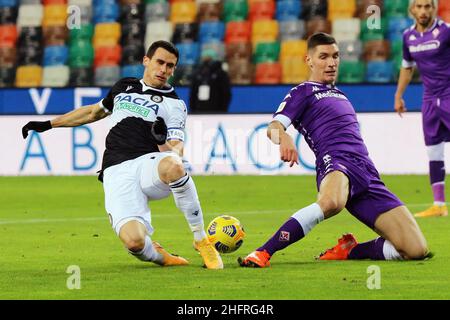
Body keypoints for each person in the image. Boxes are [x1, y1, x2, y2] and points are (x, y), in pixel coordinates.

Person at [21, 40, 223, 269]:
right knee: (135, 242)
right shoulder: (123, 86)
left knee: (175, 166)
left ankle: (200, 239)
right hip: (116, 169)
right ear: (146, 61)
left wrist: (161, 141)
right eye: (160, 62)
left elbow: (177, 150)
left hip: (149, 164)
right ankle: (161, 256)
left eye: (170, 66)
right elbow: (92, 112)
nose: (164, 70)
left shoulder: (175, 104)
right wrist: (49, 124)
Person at [238, 32, 430, 268]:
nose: (331, 62)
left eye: (336, 56)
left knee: (416, 249)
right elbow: (274, 126)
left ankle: (351, 250)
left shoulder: (340, 94)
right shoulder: (303, 92)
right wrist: (284, 137)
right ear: (309, 60)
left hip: (368, 173)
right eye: (324, 57)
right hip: (336, 162)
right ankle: (263, 252)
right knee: (331, 202)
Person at [394, 0, 450, 218]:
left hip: (448, 95)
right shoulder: (408, 36)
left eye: (428, 6)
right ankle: (439, 204)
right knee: (433, 150)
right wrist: (398, 95)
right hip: (429, 100)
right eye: (419, 6)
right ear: (411, 10)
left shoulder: (445, 31)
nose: (423, 11)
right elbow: (407, 68)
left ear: (434, 9)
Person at [189, 49, 232, 113]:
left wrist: (222, 110)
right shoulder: (198, 74)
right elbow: (193, 93)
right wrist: (193, 109)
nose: (206, 61)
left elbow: (226, 94)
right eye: (204, 59)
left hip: (217, 110)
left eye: (208, 59)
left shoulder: (221, 74)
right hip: (199, 110)